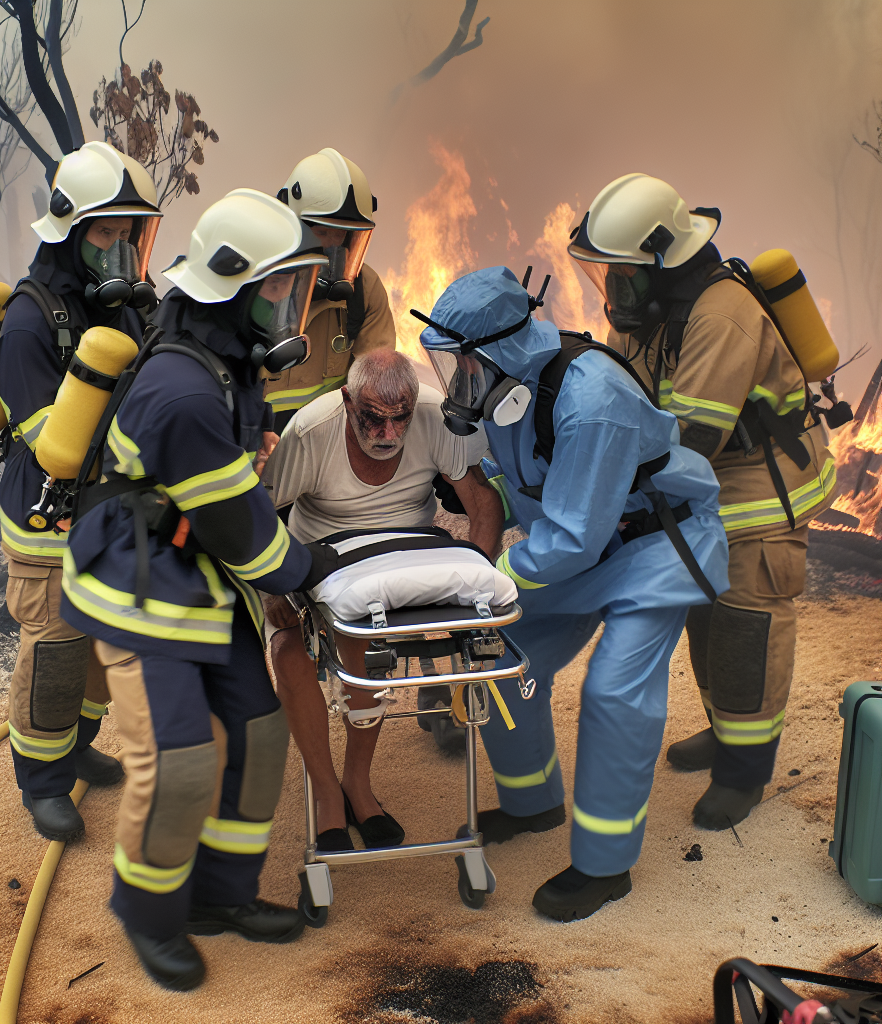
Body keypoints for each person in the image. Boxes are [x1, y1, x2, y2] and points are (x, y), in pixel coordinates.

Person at [60, 188, 331, 991]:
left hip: (196, 575)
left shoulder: (226, 358)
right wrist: (311, 572)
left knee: (256, 730)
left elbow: (227, 493)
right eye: (278, 290)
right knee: (179, 760)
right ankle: (149, 913)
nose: (291, 307)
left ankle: (221, 896)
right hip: (140, 586)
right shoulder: (182, 387)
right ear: (234, 289)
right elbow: (241, 530)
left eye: (296, 288)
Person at [417, 265, 730, 922]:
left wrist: (485, 585)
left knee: (614, 690)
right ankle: (533, 804)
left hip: (654, 546)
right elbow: (527, 483)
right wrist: (479, 498)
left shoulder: (592, 400)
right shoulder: (510, 388)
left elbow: (571, 538)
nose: (456, 381)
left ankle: (603, 866)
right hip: (584, 543)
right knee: (497, 656)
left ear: (495, 350)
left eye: (461, 364)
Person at [567, 173, 836, 830]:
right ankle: (725, 729)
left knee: (746, 624)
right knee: (703, 618)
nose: (612, 290)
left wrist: (601, 480)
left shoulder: (723, 314)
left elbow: (690, 436)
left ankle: (744, 772)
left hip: (758, 494)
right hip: (701, 493)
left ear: (664, 264)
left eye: (623, 274)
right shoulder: (645, 314)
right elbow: (619, 396)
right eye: (606, 274)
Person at [261, 348, 504, 851]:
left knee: (367, 646)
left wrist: (475, 581)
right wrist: (271, 591)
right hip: (320, 553)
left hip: (401, 557)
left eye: (400, 419)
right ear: (348, 401)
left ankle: (357, 782)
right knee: (288, 646)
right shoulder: (311, 431)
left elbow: (481, 499)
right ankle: (326, 790)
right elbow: (260, 512)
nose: (389, 434)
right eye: (374, 418)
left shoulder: (436, 415)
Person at [0, 141, 161, 843]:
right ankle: (42, 782)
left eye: (129, 234)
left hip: (108, 514)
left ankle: (76, 743)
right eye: (105, 233)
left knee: (99, 644)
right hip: (48, 522)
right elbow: (46, 438)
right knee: (58, 647)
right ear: (68, 230)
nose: (120, 249)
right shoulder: (31, 320)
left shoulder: (119, 308)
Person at [266, 148, 396, 435]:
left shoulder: (364, 291)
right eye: (321, 232)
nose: (332, 249)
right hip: (250, 446)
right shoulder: (255, 285)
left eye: (342, 235)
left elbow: (372, 392)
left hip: (324, 447)